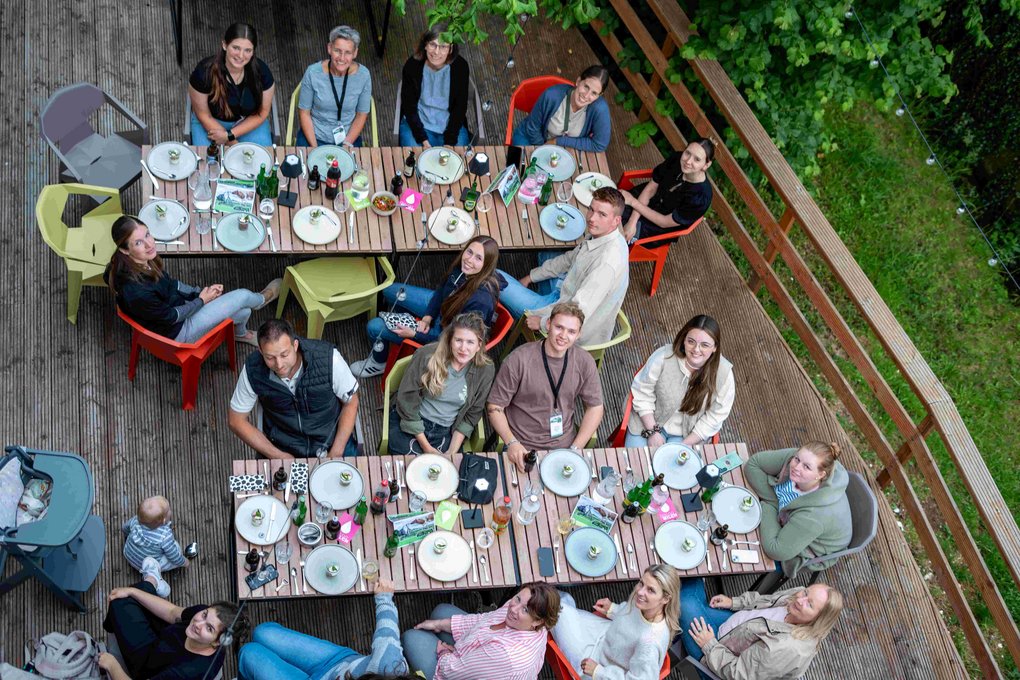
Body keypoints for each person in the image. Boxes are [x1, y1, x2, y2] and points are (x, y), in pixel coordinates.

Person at [106, 216, 281, 345]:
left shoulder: (139, 261)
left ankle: (240, 334)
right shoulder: (137, 291)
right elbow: (172, 317)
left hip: (176, 309)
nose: (149, 244)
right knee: (243, 296)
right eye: (138, 243)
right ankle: (262, 299)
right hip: (178, 332)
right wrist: (202, 300)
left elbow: (172, 285)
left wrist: (198, 294)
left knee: (244, 312)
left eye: (147, 235)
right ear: (125, 250)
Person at [350, 236, 505, 378]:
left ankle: (378, 363)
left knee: (373, 327)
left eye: (478, 258)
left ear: (486, 265)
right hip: (442, 309)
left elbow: (451, 341)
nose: (469, 260)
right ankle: (403, 320)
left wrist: (414, 334)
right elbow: (442, 289)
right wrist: (427, 316)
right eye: (469, 252)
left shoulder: (480, 303)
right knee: (389, 290)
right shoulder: (464, 268)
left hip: (444, 335)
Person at [498, 187, 628, 347]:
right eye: (591, 209)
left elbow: (577, 313)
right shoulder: (604, 234)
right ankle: (527, 298)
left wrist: (543, 322)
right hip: (565, 293)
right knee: (547, 249)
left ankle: (514, 321)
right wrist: (530, 277)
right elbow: (570, 259)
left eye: (602, 214)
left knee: (494, 278)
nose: (592, 218)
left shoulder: (606, 265)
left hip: (565, 322)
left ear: (616, 221)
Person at [487, 302, 603, 472]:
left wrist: (575, 449)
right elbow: (495, 407)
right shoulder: (519, 359)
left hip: (565, 446)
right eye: (559, 327)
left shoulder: (585, 362)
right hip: (522, 444)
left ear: (579, 334)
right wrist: (512, 442)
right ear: (548, 325)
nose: (563, 336)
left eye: (571, 331)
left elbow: (595, 407)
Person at [228, 319, 360, 459]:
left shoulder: (329, 358)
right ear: (260, 351)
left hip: (331, 442)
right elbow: (236, 420)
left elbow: (351, 401)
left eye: (284, 355)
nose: (279, 364)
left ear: (295, 345)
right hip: (281, 447)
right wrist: (278, 455)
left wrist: (336, 451)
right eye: (270, 357)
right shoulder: (253, 369)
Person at [238, 579, 410, 680]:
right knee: (263, 632)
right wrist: (384, 598)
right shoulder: (392, 667)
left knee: (248, 652)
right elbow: (387, 635)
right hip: (336, 662)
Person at [679, 580, 843, 679]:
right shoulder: (797, 597)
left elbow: (739, 674)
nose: (801, 600)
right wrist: (734, 602)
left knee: (685, 601)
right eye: (806, 592)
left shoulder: (786, 647)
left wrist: (710, 645)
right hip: (732, 627)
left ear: (818, 619)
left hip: (717, 659)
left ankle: (675, 634)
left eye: (810, 604)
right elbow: (766, 600)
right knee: (692, 575)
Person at [99, 574, 248, 680]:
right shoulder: (202, 614)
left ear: (216, 643)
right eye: (204, 615)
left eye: (209, 628)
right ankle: (150, 582)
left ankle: (150, 582)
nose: (198, 623)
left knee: (119, 603)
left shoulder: (188, 672)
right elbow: (172, 612)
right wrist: (132, 591)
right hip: (163, 637)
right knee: (132, 593)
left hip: (147, 665)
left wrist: (112, 665)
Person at [402, 583, 560, 680]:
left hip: (462, 671)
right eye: (517, 599)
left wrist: (445, 654)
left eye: (525, 610)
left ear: (538, 621)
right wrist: (439, 625)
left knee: (411, 638)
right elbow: (485, 620)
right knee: (440, 612)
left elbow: (452, 672)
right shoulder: (523, 614)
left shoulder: (505, 655)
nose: (513, 609)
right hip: (481, 655)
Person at [388, 314, 495, 455]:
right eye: (458, 340)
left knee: (448, 466)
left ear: (479, 345)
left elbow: (472, 414)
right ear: (450, 340)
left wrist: (451, 452)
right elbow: (407, 401)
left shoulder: (485, 370)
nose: (463, 348)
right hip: (412, 421)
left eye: (470, 342)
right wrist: (426, 448)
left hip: (446, 431)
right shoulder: (426, 355)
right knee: (412, 461)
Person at [744, 442, 853, 578]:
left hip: (815, 544)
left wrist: (769, 505)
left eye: (806, 467)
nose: (796, 467)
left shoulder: (813, 516)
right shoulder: (803, 457)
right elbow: (753, 464)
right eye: (797, 459)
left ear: (820, 475)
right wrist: (773, 500)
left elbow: (776, 550)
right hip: (797, 518)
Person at [625, 315, 735, 449]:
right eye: (691, 341)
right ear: (684, 340)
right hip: (648, 422)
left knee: (673, 463)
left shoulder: (724, 375)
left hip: (687, 435)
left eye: (705, 345)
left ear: (715, 347)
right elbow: (642, 392)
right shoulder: (663, 357)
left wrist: (683, 445)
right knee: (637, 460)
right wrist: (653, 432)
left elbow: (715, 416)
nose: (696, 349)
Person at [552, 564, 679, 680]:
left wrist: (598, 672)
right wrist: (613, 609)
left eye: (651, 590)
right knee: (560, 602)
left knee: (555, 609)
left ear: (665, 598)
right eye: (641, 583)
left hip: (597, 665)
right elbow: (630, 615)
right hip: (603, 634)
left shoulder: (649, 644)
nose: (640, 592)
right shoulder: (644, 602)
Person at [189, 23, 275, 147]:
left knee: (261, 157)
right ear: (224, 45)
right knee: (206, 158)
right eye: (236, 48)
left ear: (253, 52)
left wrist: (229, 136)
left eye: (247, 50)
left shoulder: (262, 72)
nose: (241, 55)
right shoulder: (204, 72)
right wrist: (233, 143)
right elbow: (203, 114)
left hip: (249, 123)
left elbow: (262, 113)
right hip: (211, 122)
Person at [620, 139, 715, 243]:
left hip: (656, 227)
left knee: (618, 234)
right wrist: (632, 220)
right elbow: (651, 188)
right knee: (611, 207)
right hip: (646, 198)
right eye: (687, 153)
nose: (688, 161)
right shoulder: (677, 160)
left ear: (706, 165)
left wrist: (633, 202)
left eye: (697, 159)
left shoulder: (700, 196)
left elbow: (664, 222)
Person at [298, 26, 372, 147]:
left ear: (355, 53)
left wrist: (346, 144)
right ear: (329, 48)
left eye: (348, 52)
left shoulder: (363, 75)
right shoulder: (313, 73)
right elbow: (304, 113)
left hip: (348, 138)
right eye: (337, 51)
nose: (342, 58)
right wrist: (315, 148)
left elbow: (361, 115)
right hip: (313, 137)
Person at [510, 65, 611, 152]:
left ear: (599, 95)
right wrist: (544, 149)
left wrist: (558, 142)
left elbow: (599, 145)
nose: (586, 95)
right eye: (586, 87)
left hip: (561, 149)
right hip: (530, 138)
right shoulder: (551, 95)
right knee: (520, 167)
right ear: (578, 81)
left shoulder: (600, 109)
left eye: (594, 93)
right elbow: (532, 127)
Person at [398, 28, 471, 147]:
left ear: (450, 49)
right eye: (433, 44)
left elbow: (460, 107)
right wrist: (423, 139)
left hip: (450, 126)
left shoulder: (460, 67)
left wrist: (450, 141)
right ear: (425, 45)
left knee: (458, 157)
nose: (436, 52)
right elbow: (409, 106)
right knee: (416, 156)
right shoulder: (412, 66)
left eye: (443, 47)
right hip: (418, 124)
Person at [121, 496, 189, 596]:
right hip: (145, 564)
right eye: (168, 510)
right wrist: (183, 562)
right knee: (175, 548)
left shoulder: (135, 521)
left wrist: (128, 535)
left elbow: (124, 528)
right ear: (164, 520)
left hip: (129, 554)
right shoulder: (164, 536)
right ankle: (153, 571)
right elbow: (173, 556)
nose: (170, 510)